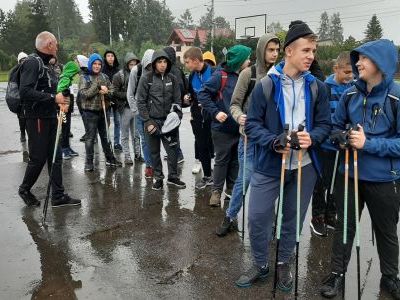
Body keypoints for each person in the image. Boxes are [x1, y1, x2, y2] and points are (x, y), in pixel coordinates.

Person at [236, 21, 331, 291]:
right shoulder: (265, 85)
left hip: (305, 166)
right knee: (257, 216)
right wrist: (274, 141)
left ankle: (283, 263)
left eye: (313, 51)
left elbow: (326, 125)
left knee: (292, 219)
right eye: (305, 50)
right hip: (269, 164)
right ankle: (261, 263)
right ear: (289, 51)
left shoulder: (318, 88)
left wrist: (313, 136)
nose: (311, 56)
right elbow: (252, 124)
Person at [320, 39, 400, 300]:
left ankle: (390, 277)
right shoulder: (350, 94)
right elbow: (334, 127)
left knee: (386, 231)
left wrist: (369, 144)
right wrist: (342, 136)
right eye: (358, 58)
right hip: (349, 175)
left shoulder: (396, 96)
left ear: (381, 63)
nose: (358, 63)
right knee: (345, 227)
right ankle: (336, 275)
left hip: (383, 179)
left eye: (364, 58)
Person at [216, 33, 281, 236]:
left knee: (269, 181)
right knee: (245, 179)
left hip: (271, 140)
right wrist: (240, 117)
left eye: (277, 50)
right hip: (249, 137)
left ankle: (269, 223)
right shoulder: (248, 74)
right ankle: (230, 215)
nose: (274, 54)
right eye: (270, 49)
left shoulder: (281, 75)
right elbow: (234, 103)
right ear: (262, 50)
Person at [18, 31, 81, 208]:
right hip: (37, 118)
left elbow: (51, 90)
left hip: (50, 116)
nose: (58, 47)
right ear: (49, 44)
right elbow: (25, 92)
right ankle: (24, 189)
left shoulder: (47, 64)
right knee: (38, 158)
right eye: (56, 43)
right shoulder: (32, 62)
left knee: (56, 156)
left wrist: (62, 99)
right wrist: (54, 98)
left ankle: (58, 196)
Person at [198, 45, 252, 206]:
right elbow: (203, 94)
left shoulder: (245, 76)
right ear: (239, 61)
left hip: (239, 129)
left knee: (236, 161)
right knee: (222, 160)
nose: (249, 61)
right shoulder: (219, 76)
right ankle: (216, 192)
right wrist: (215, 112)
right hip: (221, 129)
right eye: (247, 58)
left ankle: (230, 191)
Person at [310, 52, 354, 237]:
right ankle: (317, 217)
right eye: (346, 72)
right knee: (321, 183)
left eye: (352, 72)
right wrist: (333, 135)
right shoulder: (325, 87)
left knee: (338, 184)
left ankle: (330, 215)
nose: (350, 76)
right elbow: (322, 119)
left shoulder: (353, 88)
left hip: (344, 147)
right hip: (326, 146)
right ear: (336, 68)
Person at [136, 50, 186, 190]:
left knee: (172, 151)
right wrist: (147, 122)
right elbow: (140, 102)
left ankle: (173, 177)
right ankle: (158, 177)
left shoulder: (173, 79)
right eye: (159, 62)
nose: (163, 65)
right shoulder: (146, 78)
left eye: (165, 62)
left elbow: (177, 101)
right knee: (154, 152)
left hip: (169, 123)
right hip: (152, 122)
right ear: (154, 63)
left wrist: (177, 117)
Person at [78, 53, 122, 172]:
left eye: (99, 64)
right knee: (90, 138)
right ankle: (88, 162)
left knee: (106, 136)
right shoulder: (84, 77)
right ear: (90, 64)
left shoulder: (105, 76)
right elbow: (84, 94)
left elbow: (112, 90)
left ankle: (110, 159)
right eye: (95, 64)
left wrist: (107, 91)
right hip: (90, 113)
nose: (97, 66)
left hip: (103, 111)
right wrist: (97, 85)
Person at [183, 47, 215, 188]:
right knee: (201, 145)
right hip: (197, 116)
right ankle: (207, 177)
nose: (186, 65)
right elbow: (191, 93)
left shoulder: (214, 72)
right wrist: (187, 97)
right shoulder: (192, 75)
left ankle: (219, 177)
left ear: (196, 61)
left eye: (187, 62)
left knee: (212, 145)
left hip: (212, 116)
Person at [127, 49, 155, 178]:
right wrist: (136, 111)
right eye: (148, 65)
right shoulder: (136, 71)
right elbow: (130, 93)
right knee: (144, 139)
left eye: (152, 64)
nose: (150, 67)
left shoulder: (156, 71)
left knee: (154, 139)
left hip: (153, 110)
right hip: (139, 111)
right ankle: (149, 166)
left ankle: (155, 164)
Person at [113, 52, 141, 165]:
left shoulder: (139, 74)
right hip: (124, 108)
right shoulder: (119, 76)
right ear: (126, 64)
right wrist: (129, 95)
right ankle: (127, 156)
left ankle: (138, 155)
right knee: (124, 135)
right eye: (131, 64)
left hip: (136, 108)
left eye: (135, 64)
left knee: (137, 134)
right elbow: (114, 92)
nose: (133, 66)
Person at [163, 46, 188, 164]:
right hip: (171, 106)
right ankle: (172, 153)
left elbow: (181, 87)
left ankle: (178, 155)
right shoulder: (172, 69)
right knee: (170, 131)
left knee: (173, 131)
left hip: (174, 106)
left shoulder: (174, 70)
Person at [56, 60, 81, 160]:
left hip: (68, 108)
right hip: (63, 108)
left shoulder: (68, 79)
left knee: (67, 129)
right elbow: (59, 90)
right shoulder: (65, 78)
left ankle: (67, 147)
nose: (75, 75)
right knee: (64, 129)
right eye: (74, 72)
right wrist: (63, 103)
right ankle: (64, 149)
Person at [102, 50, 122, 151]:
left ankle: (117, 143)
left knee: (118, 122)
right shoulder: (102, 70)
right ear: (105, 58)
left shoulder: (118, 70)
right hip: (105, 99)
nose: (110, 57)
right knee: (106, 122)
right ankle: (107, 142)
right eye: (108, 56)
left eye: (112, 56)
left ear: (114, 57)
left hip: (117, 100)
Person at [15, 52, 28, 143]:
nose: (24, 61)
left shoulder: (30, 70)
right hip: (19, 98)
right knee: (21, 117)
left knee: (30, 117)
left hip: (29, 97)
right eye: (22, 60)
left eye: (25, 60)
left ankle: (30, 133)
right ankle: (22, 133)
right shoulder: (16, 71)